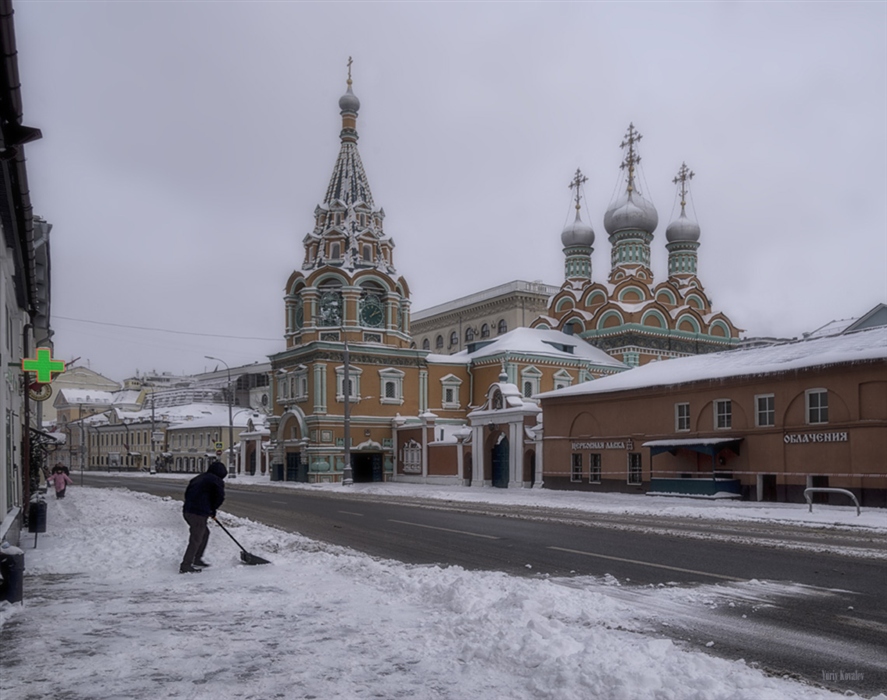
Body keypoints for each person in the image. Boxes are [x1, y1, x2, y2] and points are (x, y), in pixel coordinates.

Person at [180, 461, 227, 574]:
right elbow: (219, 497)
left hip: (188, 511)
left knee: (204, 534)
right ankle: (186, 565)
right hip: (198, 513)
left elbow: (187, 494)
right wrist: (212, 509)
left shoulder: (198, 478)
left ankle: (197, 559)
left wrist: (207, 509)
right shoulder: (216, 480)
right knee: (196, 538)